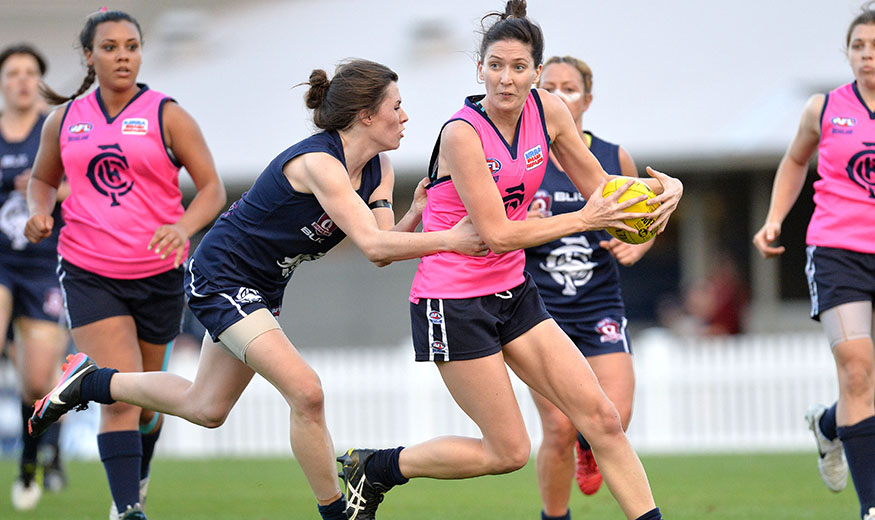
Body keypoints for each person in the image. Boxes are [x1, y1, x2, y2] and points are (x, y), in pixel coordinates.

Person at [27, 56, 487, 520]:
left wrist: (416, 213)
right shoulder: (319, 164)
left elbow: (385, 245)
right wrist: (453, 239)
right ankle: (338, 513)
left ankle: (92, 380)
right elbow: (372, 244)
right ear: (366, 115)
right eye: (397, 106)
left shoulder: (379, 168)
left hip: (262, 288)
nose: (406, 116)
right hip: (222, 275)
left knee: (205, 407)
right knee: (307, 392)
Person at [336, 2, 682, 519]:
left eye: (518, 67)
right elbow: (497, 234)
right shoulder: (462, 133)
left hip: (513, 291)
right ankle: (379, 467)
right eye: (495, 65)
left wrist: (663, 193)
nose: (506, 78)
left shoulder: (550, 111)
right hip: (452, 301)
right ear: (479, 68)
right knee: (508, 452)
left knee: (602, 421)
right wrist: (586, 220)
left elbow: (602, 189)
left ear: (536, 73)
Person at [24, 9, 227, 520]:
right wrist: (40, 211)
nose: (123, 56)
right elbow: (42, 179)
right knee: (119, 394)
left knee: (148, 400)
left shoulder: (168, 115)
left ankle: (136, 475)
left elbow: (212, 190)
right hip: (90, 271)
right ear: (89, 56)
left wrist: (182, 228)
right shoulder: (65, 119)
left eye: (131, 46)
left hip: (158, 273)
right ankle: (128, 508)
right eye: (110, 47)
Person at [753, 4, 875, 520]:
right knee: (857, 372)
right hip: (837, 251)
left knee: (864, 384)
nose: (867, 57)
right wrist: (775, 217)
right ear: (847, 53)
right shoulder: (823, 109)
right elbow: (796, 159)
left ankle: (829, 426)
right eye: (858, 47)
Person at [524, 54, 655, 519]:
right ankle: (555, 516)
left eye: (570, 88)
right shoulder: (523, 155)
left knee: (614, 419)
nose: (559, 96)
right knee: (557, 428)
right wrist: (523, 220)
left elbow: (644, 216)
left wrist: (640, 244)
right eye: (550, 87)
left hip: (599, 301)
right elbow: (489, 224)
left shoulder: (612, 156)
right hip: (539, 312)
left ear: (588, 99)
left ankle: (590, 444)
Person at [0, 43, 70, 511]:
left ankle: (38, 455)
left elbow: (83, 179)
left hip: (44, 264)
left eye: (30, 72)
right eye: (13, 73)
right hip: (2, 259)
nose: (22, 80)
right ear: (3, 83)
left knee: (37, 382)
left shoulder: (57, 128)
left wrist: (46, 187)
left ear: (39, 81)